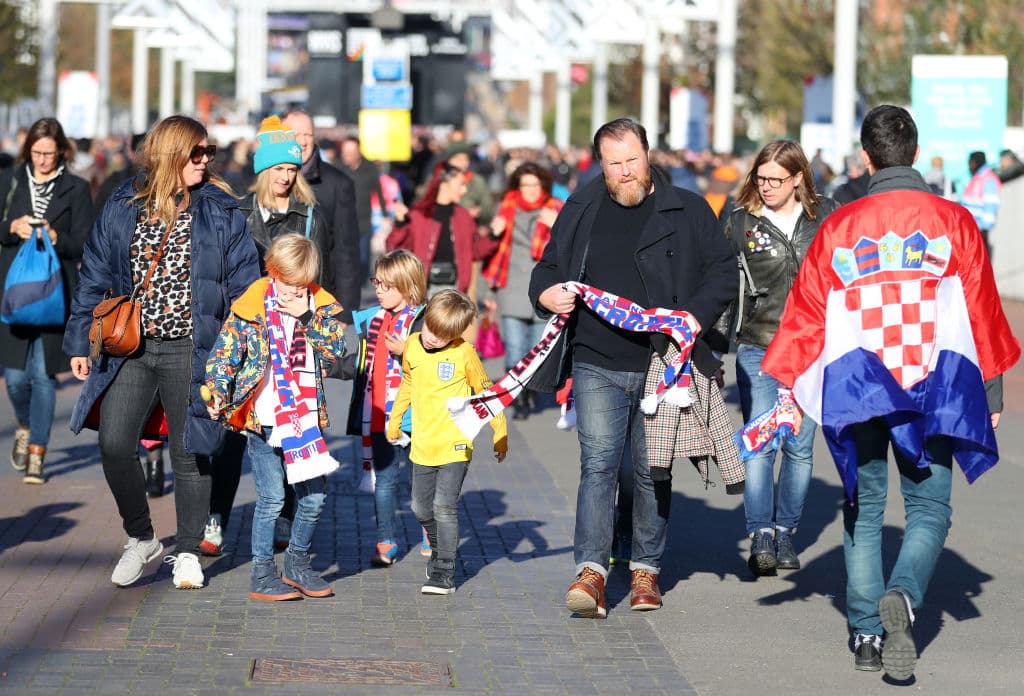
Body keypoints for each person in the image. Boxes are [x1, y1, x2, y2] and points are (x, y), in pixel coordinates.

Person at [761, 105, 1020, 679]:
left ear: (867, 157)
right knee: (929, 507)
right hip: (934, 386)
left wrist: (788, 385)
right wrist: (992, 397)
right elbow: (981, 311)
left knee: (864, 505)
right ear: (917, 154)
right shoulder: (954, 221)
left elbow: (806, 311)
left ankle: (865, 634)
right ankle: (902, 597)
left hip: (859, 387)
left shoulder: (839, 225)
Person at [529, 118, 737, 618]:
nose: (625, 172)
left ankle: (645, 567)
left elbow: (724, 269)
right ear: (599, 165)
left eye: (632, 160)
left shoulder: (687, 208)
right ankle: (592, 572)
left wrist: (694, 315)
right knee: (598, 465)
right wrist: (544, 292)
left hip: (662, 362)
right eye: (614, 163)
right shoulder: (582, 205)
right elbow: (549, 266)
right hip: (596, 357)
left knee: (649, 470)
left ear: (649, 155)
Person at [64, 115, 260, 590]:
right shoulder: (123, 204)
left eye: (208, 152)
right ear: (169, 154)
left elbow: (246, 287)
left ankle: (189, 551)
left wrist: (242, 352)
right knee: (113, 443)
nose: (205, 161)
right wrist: (77, 339)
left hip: (193, 348)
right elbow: (93, 273)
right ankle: (142, 537)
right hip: (131, 346)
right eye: (196, 153)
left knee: (190, 450)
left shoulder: (220, 210)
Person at [205, 233, 345, 601]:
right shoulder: (253, 302)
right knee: (270, 500)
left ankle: (297, 564)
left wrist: (307, 316)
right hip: (263, 419)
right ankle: (262, 572)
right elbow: (225, 353)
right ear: (272, 272)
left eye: (300, 284)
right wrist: (218, 389)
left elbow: (336, 349)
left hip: (305, 419)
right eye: (285, 281)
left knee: (314, 498)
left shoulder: (317, 304)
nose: (292, 290)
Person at [723, 140, 838, 577]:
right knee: (759, 443)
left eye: (776, 179)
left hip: (812, 349)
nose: (766, 186)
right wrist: (714, 349)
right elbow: (721, 286)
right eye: (761, 177)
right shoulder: (738, 222)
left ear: (798, 179)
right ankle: (761, 536)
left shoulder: (826, 215)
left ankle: (786, 530)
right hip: (759, 346)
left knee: (800, 447)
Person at [386, 290, 508, 595]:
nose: (431, 338)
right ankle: (441, 547)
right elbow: (408, 383)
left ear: (455, 335)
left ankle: (444, 571)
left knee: (444, 506)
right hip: (423, 442)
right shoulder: (413, 345)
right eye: (429, 328)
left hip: (455, 442)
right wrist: (395, 418)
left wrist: (500, 431)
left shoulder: (465, 353)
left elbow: (486, 392)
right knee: (419, 507)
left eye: (441, 336)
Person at [0, 117, 93, 484]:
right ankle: (24, 426)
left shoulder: (76, 188)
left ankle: (38, 450)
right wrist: (11, 227)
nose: (42, 160)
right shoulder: (8, 182)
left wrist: (56, 235)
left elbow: (84, 241)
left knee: (42, 374)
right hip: (15, 292)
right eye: (37, 153)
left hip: (56, 292)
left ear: (62, 152)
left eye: (49, 154)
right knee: (16, 378)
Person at [339, 250, 427, 566]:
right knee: (386, 480)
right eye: (377, 282)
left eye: (387, 285)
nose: (379, 289)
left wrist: (409, 350)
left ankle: (429, 530)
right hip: (378, 412)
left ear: (408, 285)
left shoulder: (423, 320)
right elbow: (361, 363)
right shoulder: (373, 319)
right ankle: (386, 540)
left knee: (422, 484)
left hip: (417, 415)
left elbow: (442, 361)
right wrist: (332, 368)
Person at [483, 162, 562, 420]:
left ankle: (530, 390)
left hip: (543, 287)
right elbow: (490, 251)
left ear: (543, 186)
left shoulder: (555, 209)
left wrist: (556, 226)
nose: (529, 190)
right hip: (511, 286)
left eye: (534, 185)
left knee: (536, 347)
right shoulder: (506, 208)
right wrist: (494, 234)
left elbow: (571, 248)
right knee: (515, 345)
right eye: (524, 184)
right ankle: (517, 397)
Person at [282, 109, 361, 314]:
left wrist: (345, 309)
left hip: (319, 299)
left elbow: (347, 250)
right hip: (274, 300)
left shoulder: (338, 183)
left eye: (307, 134)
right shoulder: (264, 180)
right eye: (295, 135)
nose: (303, 141)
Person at [387, 161, 497, 298]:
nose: (464, 190)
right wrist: (400, 223)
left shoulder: (463, 216)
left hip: (455, 289)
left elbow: (474, 251)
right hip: (423, 289)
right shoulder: (418, 215)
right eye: (461, 184)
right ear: (444, 184)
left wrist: (494, 236)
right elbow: (395, 249)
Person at [339, 137, 385, 284]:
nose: (347, 155)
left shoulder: (369, 169)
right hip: (343, 221)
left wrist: (385, 215)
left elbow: (379, 192)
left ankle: (362, 282)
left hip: (363, 221)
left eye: (350, 152)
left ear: (358, 152)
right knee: (346, 255)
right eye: (345, 152)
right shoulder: (338, 169)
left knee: (363, 256)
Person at [961, 151, 1001, 258]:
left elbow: (991, 206)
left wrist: (984, 230)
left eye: (971, 163)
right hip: (973, 230)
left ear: (975, 162)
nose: (969, 166)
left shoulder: (988, 179)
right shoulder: (977, 177)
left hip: (980, 232)